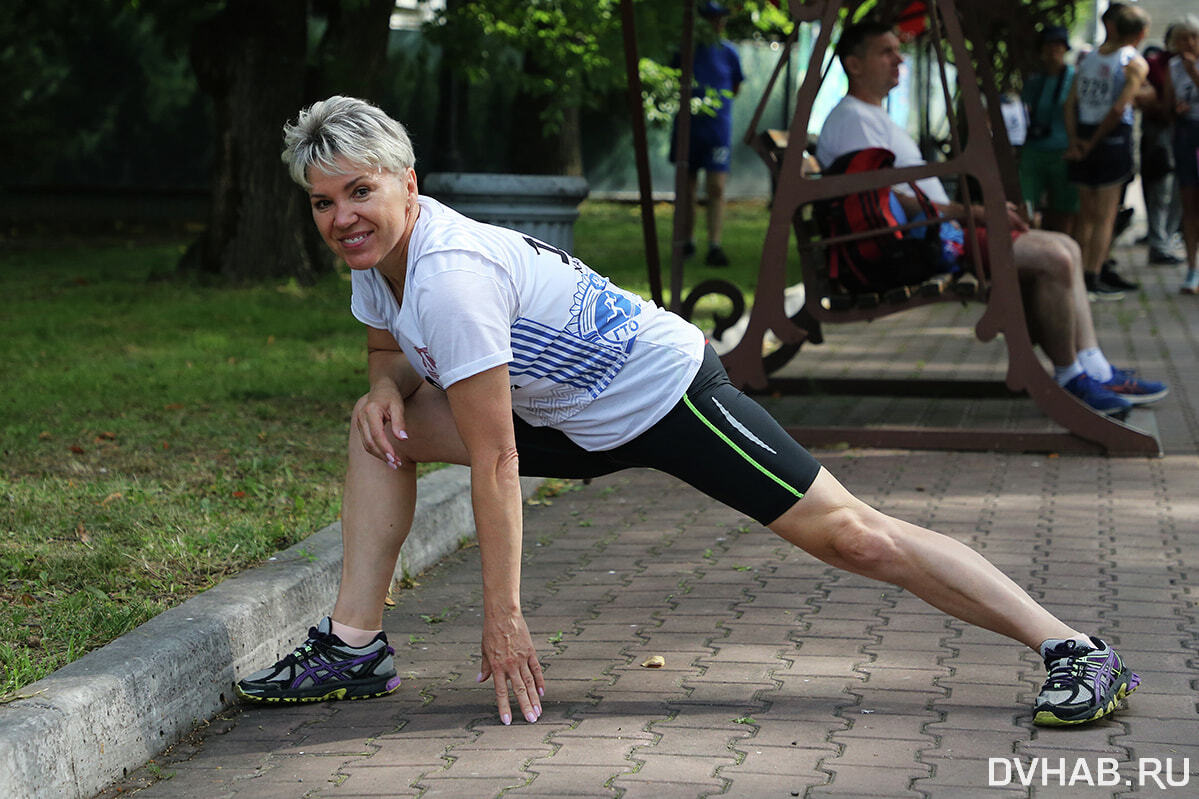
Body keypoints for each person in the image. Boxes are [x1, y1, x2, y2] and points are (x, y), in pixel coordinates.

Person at [236, 94, 1141, 729]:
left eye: (361, 192)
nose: (342, 217)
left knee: (856, 537)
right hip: (568, 409)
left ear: (408, 184)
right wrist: (383, 392)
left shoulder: (449, 278)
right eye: (324, 202)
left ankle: (1071, 646)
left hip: (660, 391)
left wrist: (503, 614)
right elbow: (387, 355)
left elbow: (497, 461)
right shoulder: (377, 264)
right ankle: (353, 648)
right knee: (379, 434)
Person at [815, 21, 1167, 417]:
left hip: (930, 231)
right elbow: (885, 201)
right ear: (854, 65)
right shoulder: (853, 120)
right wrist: (974, 212)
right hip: (915, 243)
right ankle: (1072, 376)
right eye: (886, 52)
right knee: (1058, 257)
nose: (899, 59)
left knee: (1065, 246)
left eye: (899, 50)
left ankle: (1095, 369)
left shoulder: (870, 115)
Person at [1064, 4, 1151, 299]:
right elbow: (1118, 108)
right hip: (1110, 139)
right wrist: (1094, 142)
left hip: (1084, 131)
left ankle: (1076, 278)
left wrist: (1076, 140)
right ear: (1141, 33)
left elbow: (1070, 104)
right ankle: (1091, 278)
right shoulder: (1134, 63)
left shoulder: (1087, 58)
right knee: (1104, 217)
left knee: (1085, 215)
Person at [670, 1, 744, 267]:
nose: (716, 23)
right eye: (710, 18)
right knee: (686, 188)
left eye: (719, 18)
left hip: (717, 129)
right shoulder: (685, 51)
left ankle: (715, 244)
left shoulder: (729, 53)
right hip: (687, 128)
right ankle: (686, 241)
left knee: (717, 187)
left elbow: (735, 87)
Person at [1019, 26, 1079, 237]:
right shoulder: (1035, 80)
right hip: (1034, 148)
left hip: (1063, 151)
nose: (1054, 50)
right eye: (1049, 46)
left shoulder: (1074, 78)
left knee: (1064, 209)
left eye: (1058, 45)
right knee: (1026, 203)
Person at [1140, 30, 1184, 266]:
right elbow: (1146, 98)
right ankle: (1158, 243)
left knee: (1181, 190)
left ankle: (1168, 239)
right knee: (1160, 190)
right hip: (1159, 137)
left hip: (1187, 136)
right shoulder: (1154, 64)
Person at [1163, 15, 1199, 294]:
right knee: (1189, 202)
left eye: (1194, 37)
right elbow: (1166, 104)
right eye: (1183, 38)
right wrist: (1174, 109)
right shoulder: (1173, 66)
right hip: (1186, 136)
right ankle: (1192, 268)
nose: (1189, 43)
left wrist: (1194, 73)